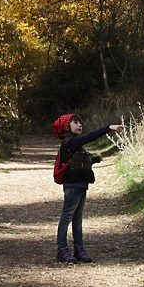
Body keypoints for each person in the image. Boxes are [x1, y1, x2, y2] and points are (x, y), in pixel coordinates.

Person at [51, 113, 125, 263]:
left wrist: (94, 159)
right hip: (72, 187)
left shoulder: (76, 145)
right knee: (66, 218)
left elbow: (79, 161)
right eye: (75, 122)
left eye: (80, 122)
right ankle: (62, 250)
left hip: (81, 185)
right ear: (66, 126)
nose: (79, 125)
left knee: (77, 220)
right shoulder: (70, 142)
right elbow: (90, 137)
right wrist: (108, 128)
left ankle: (79, 249)